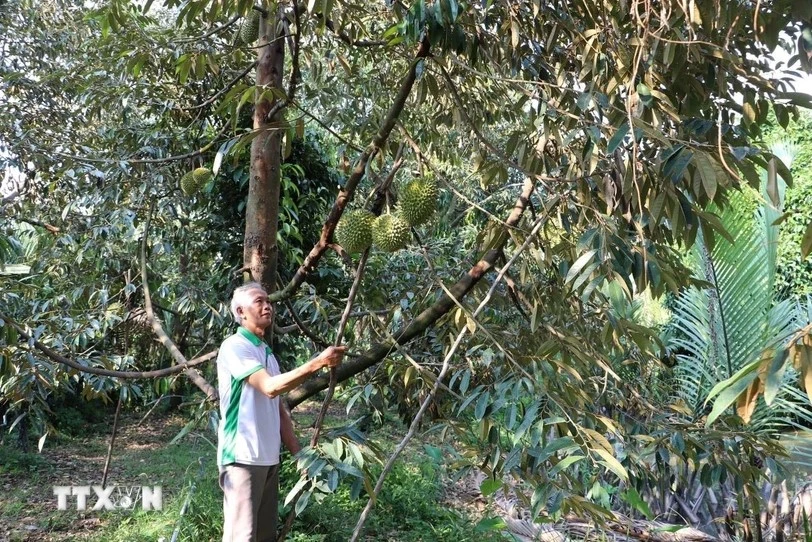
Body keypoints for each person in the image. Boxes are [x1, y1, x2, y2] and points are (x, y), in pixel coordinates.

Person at [217, 281, 346, 542]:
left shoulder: (266, 353)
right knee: (241, 536)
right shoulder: (235, 346)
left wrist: (299, 455)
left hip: (268, 459)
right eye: (259, 301)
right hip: (242, 458)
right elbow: (270, 388)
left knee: (264, 536)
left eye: (268, 301)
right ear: (241, 312)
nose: (267, 306)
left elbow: (278, 410)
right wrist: (318, 363)